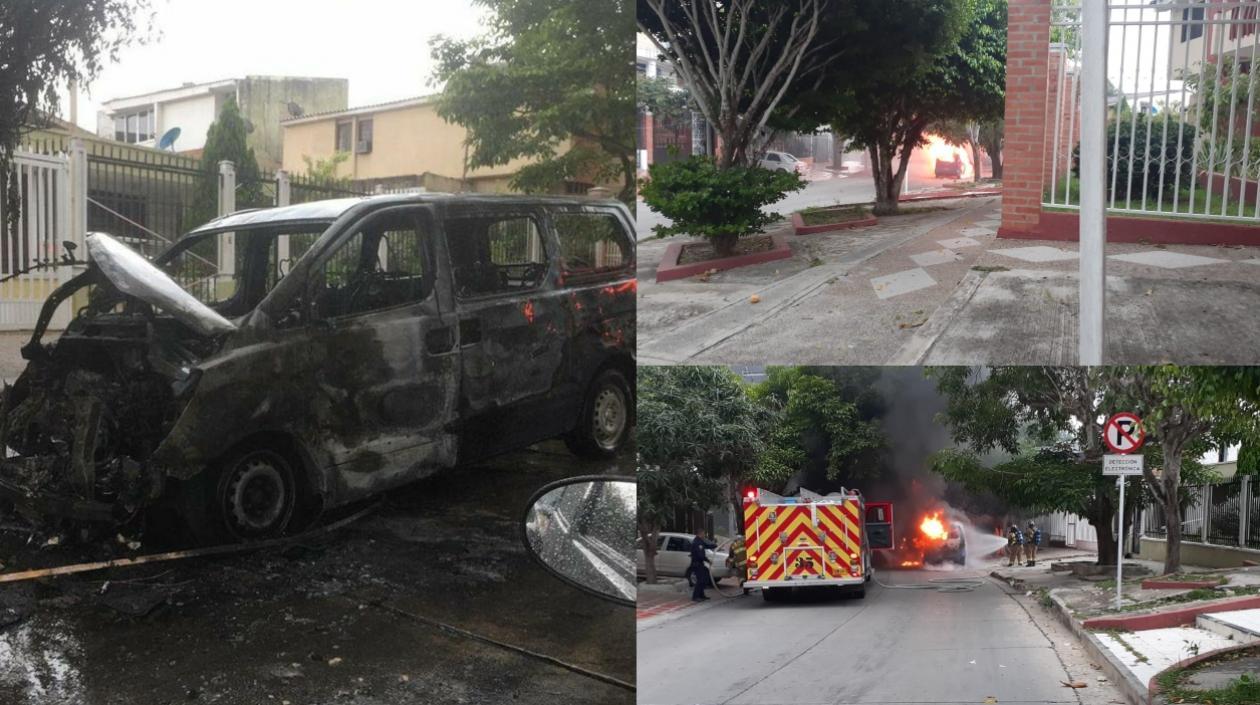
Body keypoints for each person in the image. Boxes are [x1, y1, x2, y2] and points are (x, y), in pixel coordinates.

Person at [690, 529, 717, 602]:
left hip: (700, 563)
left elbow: (707, 546)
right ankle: (695, 597)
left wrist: (715, 545)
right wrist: (708, 560)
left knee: (705, 578)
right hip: (697, 564)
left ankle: (701, 595)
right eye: (704, 534)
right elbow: (700, 555)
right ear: (700, 533)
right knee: (700, 580)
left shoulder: (700, 541)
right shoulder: (697, 542)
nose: (704, 535)